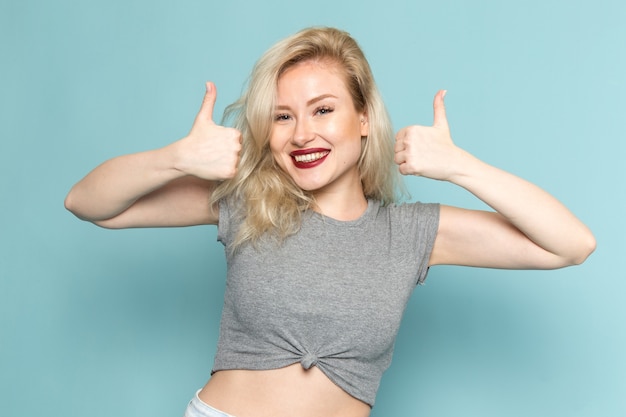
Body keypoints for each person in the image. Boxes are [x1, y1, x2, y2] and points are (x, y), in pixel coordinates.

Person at [64, 27, 596, 417]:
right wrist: (176, 157)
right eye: (282, 115)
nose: (301, 134)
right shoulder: (247, 203)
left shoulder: (408, 233)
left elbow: (570, 244)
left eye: (322, 110)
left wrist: (460, 167)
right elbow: (89, 204)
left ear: (364, 119)